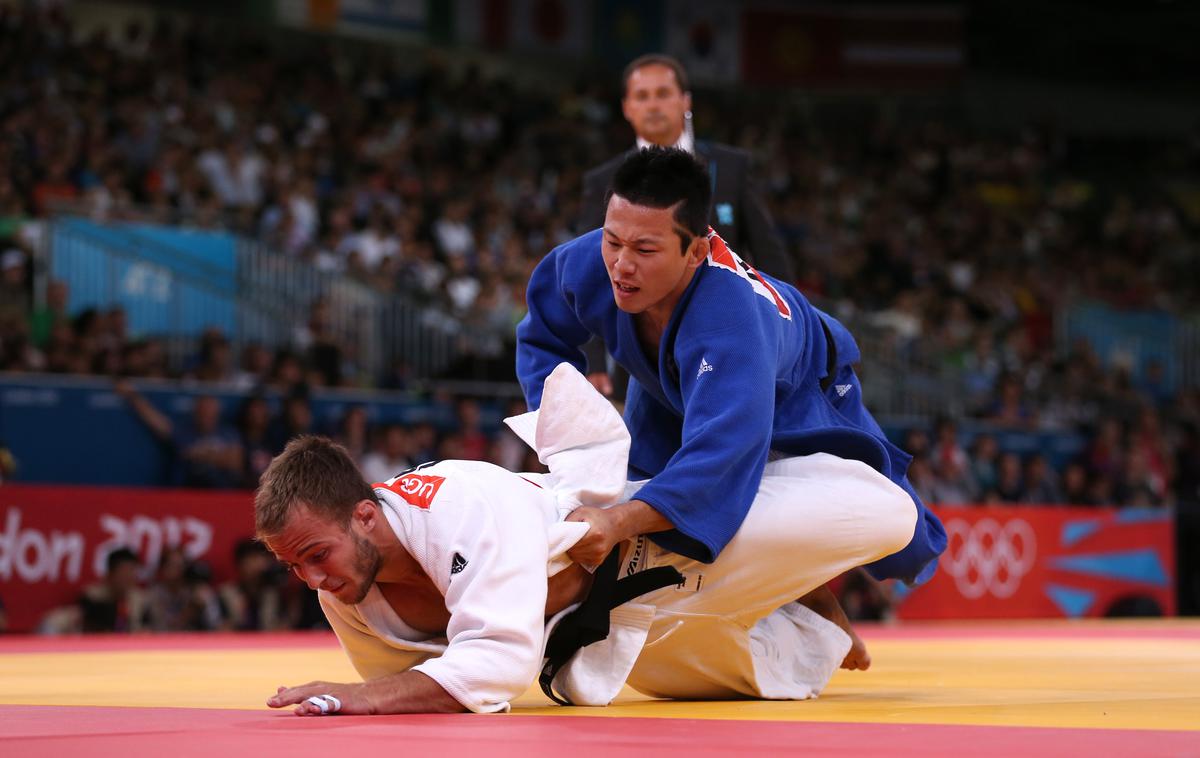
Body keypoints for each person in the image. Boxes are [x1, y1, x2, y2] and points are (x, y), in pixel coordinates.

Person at [258, 364, 916, 715]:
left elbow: (491, 672)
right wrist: (373, 700)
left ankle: (760, 498)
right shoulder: (345, 596)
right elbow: (425, 689)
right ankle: (802, 599)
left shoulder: (459, 502)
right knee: (784, 680)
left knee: (888, 515)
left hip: (659, 542)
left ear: (366, 516)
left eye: (317, 555)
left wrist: (360, 700)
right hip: (614, 639)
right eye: (294, 567)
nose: (314, 580)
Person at [516, 147, 946, 600]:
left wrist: (619, 521)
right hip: (665, 386)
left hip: (800, 388)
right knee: (639, 487)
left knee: (903, 531)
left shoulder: (730, 322)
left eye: (645, 250)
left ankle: (812, 593)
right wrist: (564, 444)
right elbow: (541, 338)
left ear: (695, 251)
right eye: (612, 241)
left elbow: (721, 454)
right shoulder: (587, 262)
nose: (621, 264)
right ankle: (789, 601)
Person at [578, 54, 791, 397]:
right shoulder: (605, 180)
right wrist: (593, 364)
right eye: (642, 96)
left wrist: (788, 334)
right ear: (627, 108)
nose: (653, 105)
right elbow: (587, 275)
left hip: (730, 343)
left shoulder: (731, 167)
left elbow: (769, 256)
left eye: (663, 93)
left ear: (685, 101)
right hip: (639, 359)